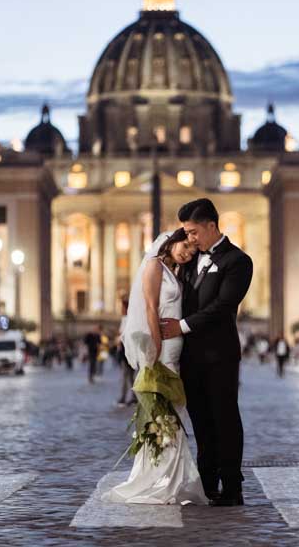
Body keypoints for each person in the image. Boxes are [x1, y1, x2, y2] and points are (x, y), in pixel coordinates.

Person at [104, 228, 208, 505]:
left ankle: (167, 477)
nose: (187, 253)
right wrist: (156, 345)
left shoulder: (173, 271)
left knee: (171, 412)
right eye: (185, 246)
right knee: (165, 414)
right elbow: (150, 308)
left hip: (175, 346)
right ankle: (164, 479)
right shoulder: (154, 265)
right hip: (161, 346)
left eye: (192, 251)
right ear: (173, 240)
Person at [161, 198, 254, 507]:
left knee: (225, 418)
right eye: (186, 232)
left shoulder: (237, 261)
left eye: (193, 231)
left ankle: (232, 485)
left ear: (211, 226)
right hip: (191, 357)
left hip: (220, 355)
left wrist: (182, 326)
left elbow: (223, 306)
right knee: (200, 420)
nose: (190, 238)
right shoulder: (190, 261)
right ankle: (207, 482)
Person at [115, 298, 137, 406]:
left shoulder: (128, 319)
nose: (121, 309)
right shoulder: (127, 318)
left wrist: (118, 339)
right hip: (126, 349)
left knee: (126, 375)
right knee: (130, 376)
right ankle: (133, 396)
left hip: (126, 350)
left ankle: (124, 397)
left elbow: (123, 334)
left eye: (122, 307)